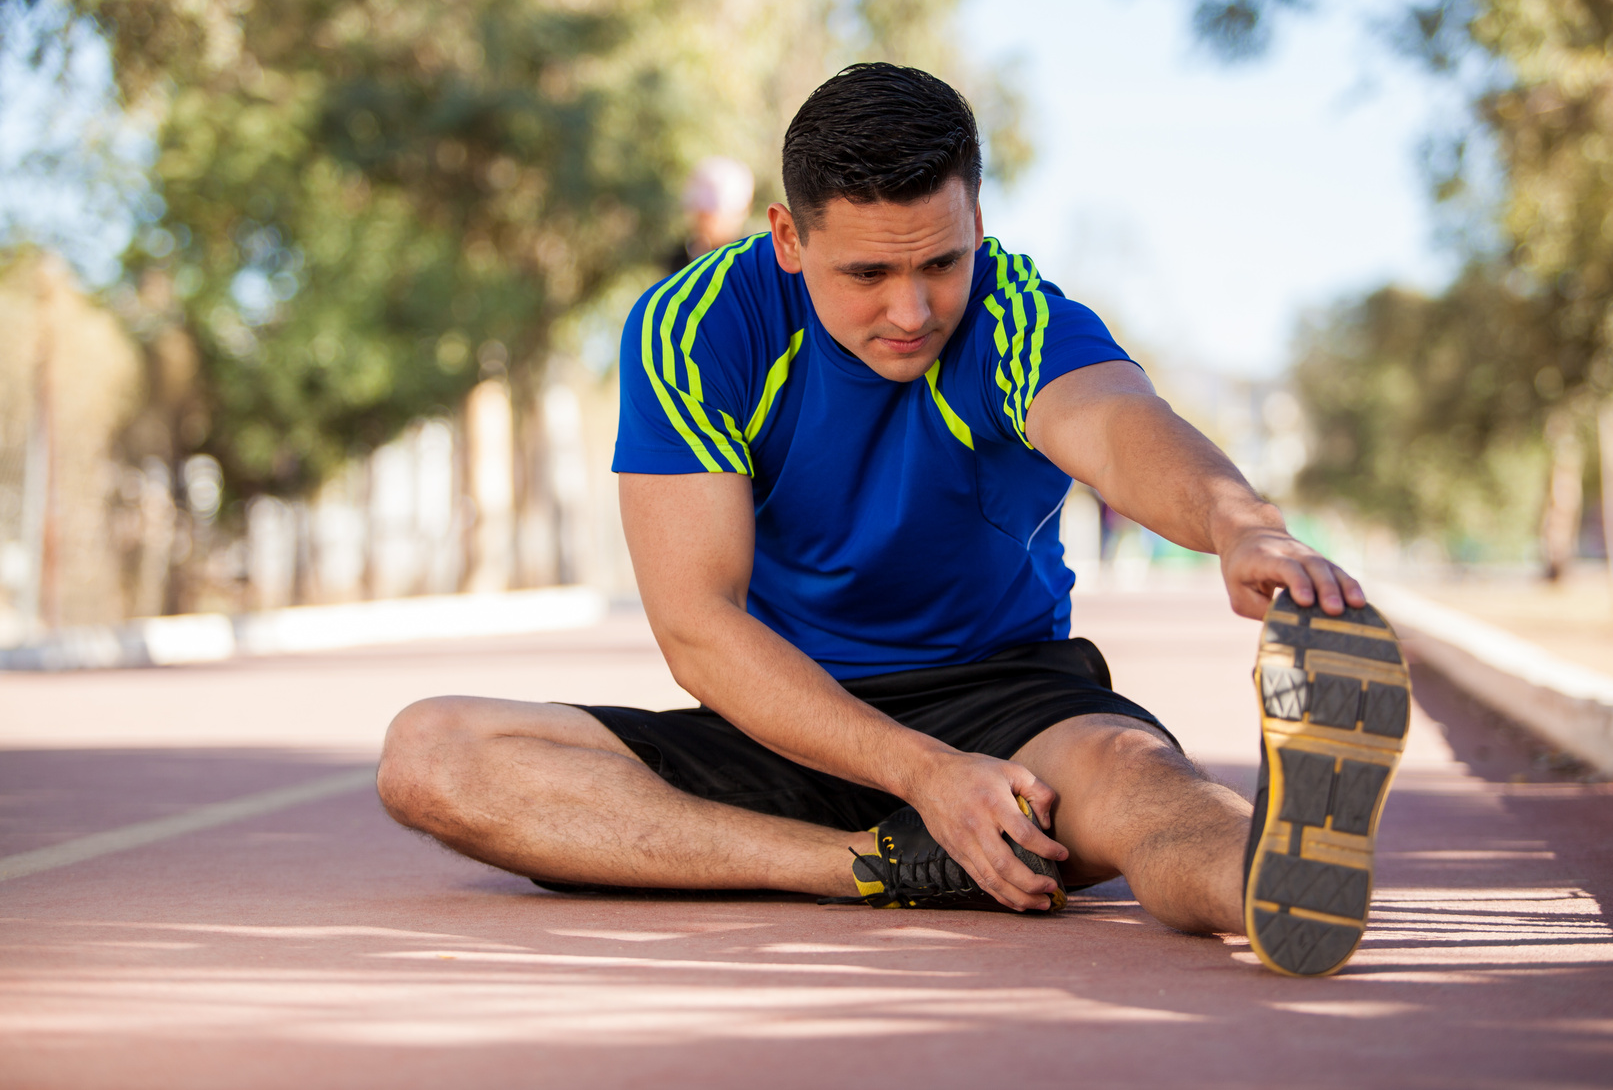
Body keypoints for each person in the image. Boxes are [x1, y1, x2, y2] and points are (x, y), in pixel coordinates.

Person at [378, 63, 1410, 978]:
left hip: (1008, 703)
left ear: (975, 224)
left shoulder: (1013, 313)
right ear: (787, 237)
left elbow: (1114, 423)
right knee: (431, 754)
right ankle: (867, 868)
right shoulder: (698, 327)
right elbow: (697, 627)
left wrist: (1240, 525)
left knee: (1149, 795)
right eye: (867, 273)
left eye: (940, 264)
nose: (911, 311)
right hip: (788, 716)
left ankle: (1274, 873)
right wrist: (921, 783)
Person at [664, 156, 757, 273]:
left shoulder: (752, 261)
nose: (703, 222)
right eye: (700, 214)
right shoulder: (680, 260)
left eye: (709, 215)